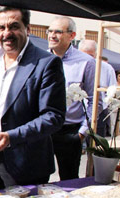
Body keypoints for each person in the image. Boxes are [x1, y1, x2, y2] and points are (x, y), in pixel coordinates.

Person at [0, 6, 66, 189]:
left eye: (13, 26)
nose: (6, 33)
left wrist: (11, 137)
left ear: (27, 29)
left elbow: (54, 117)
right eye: (1, 28)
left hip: (29, 163)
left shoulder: (47, 63)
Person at [47, 16, 96, 180]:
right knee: (38, 179)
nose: (52, 35)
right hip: (44, 130)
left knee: (69, 181)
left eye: (58, 32)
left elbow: (95, 100)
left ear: (72, 35)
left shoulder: (86, 62)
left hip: (70, 131)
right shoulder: (41, 59)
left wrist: (82, 133)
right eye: (50, 31)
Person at [79, 39, 116, 137]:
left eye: (90, 55)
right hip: (78, 112)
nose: (87, 58)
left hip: (99, 112)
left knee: (97, 146)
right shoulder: (76, 65)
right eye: (84, 54)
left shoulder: (107, 68)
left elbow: (112, 90)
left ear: (95, 54)